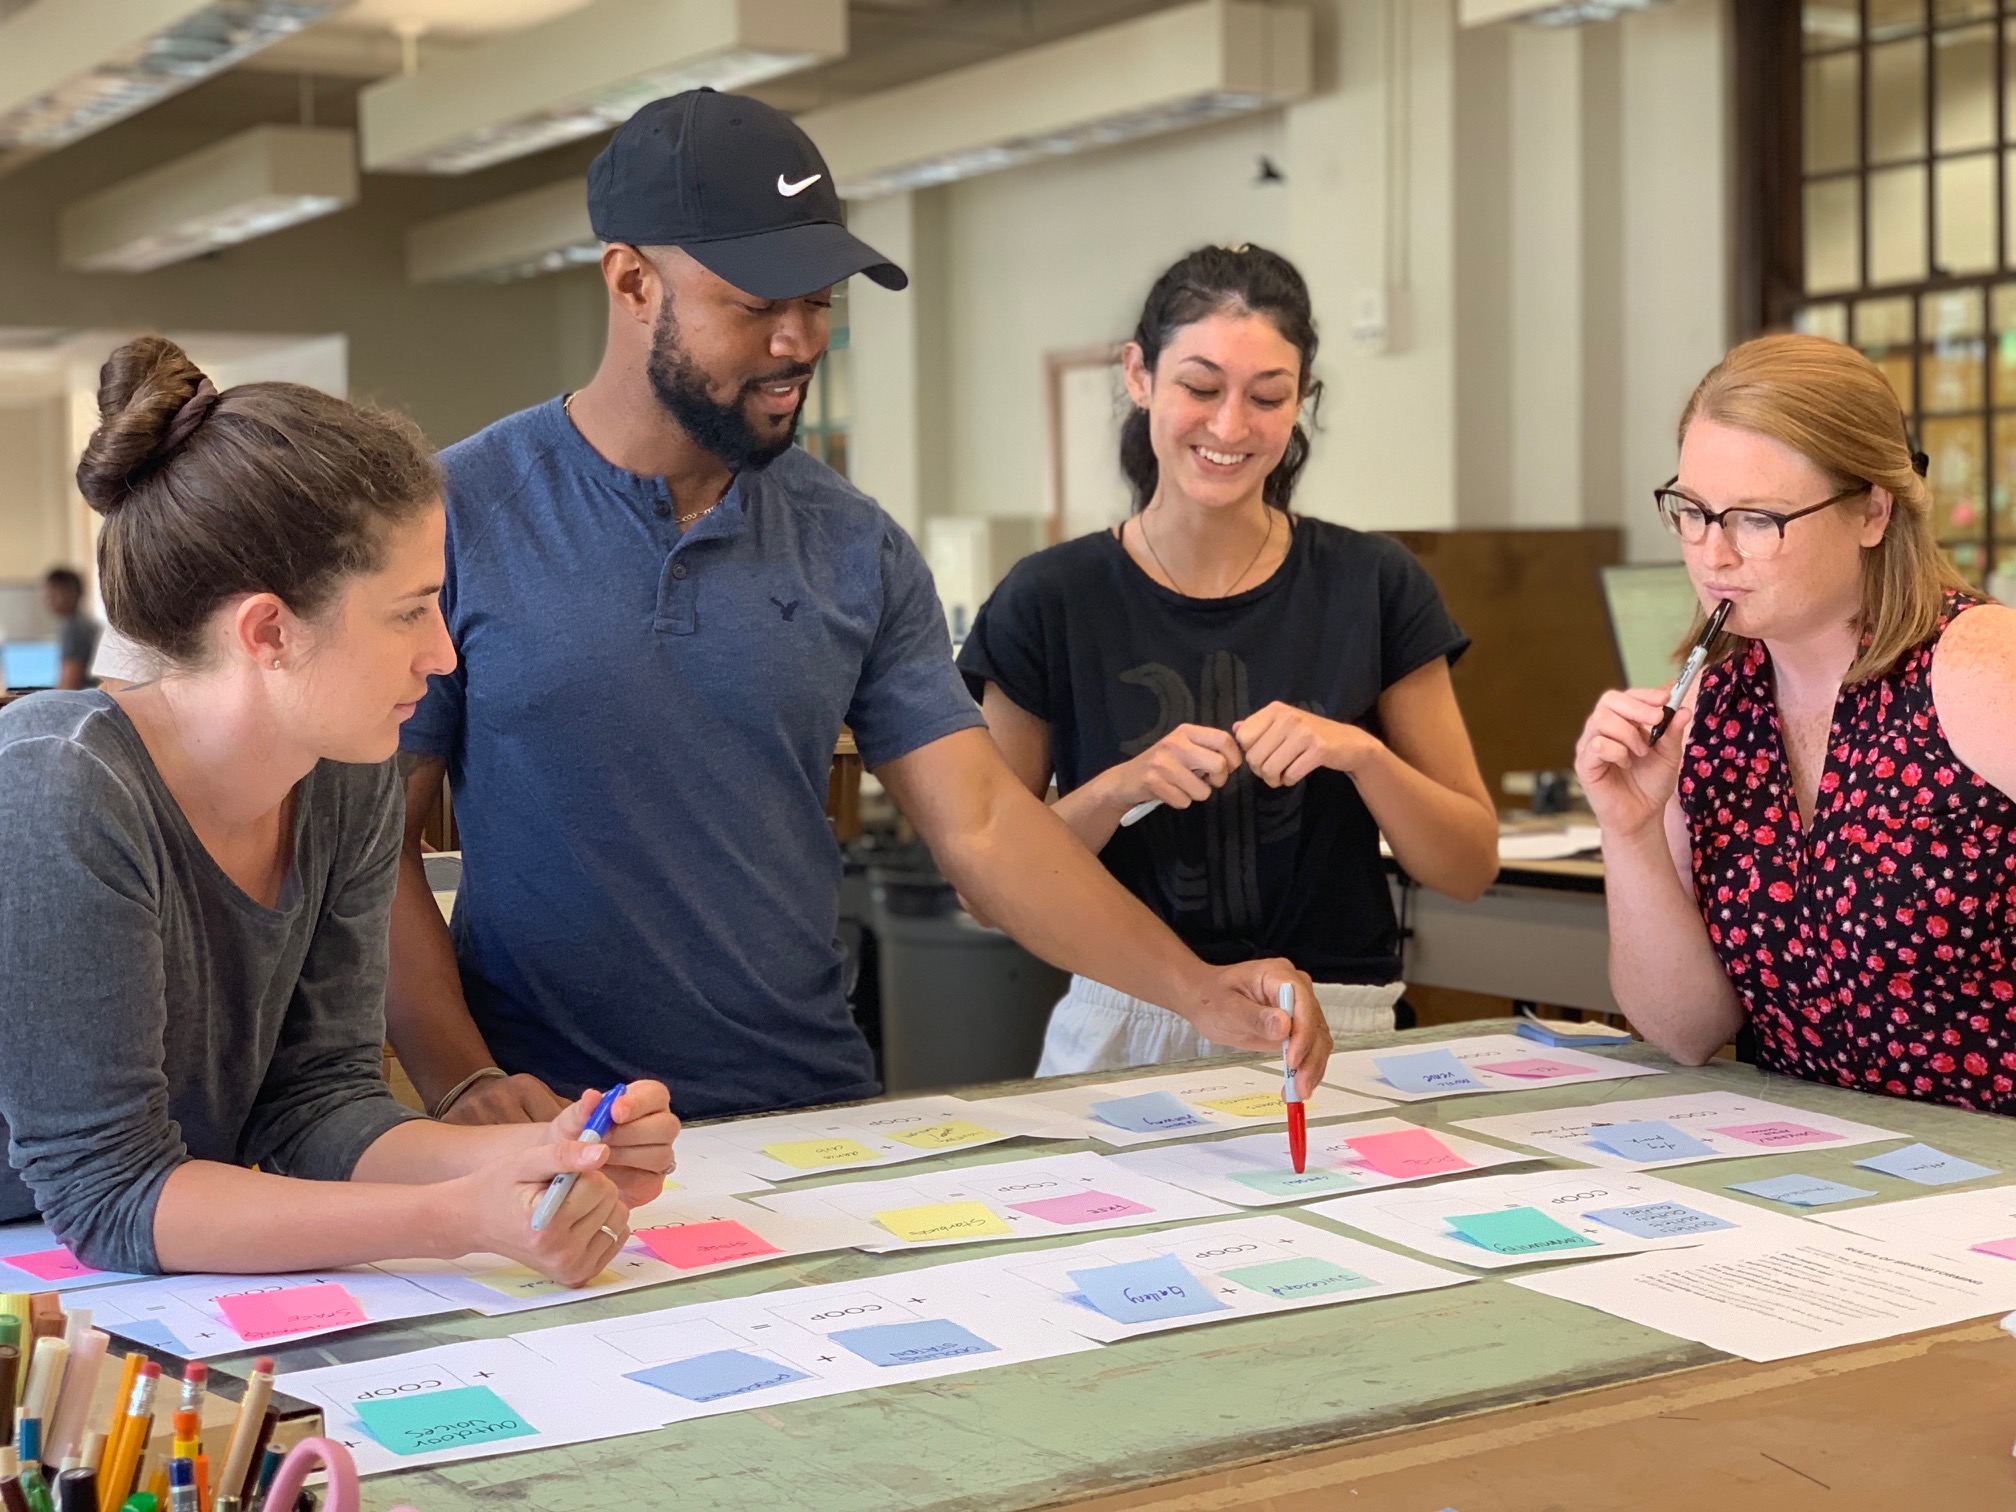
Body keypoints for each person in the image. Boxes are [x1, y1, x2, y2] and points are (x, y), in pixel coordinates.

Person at [388, 90, 1329, 1129]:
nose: (799, 342)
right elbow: (362, 848)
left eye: (823, 301)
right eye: (758, 304)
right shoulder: (459, 517)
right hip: (554, 1131)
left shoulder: (853, 542)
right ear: (632, 280)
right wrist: (459, 1077)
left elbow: (980, 824)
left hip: (808, 1116)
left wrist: (1195, 987)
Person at [0, 336, 677, 1279]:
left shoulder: (345, 768)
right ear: (270, 631)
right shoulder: (59, 787)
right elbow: (109, 1194)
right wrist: (457, 1220)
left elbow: (317, 1105)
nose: (443, 654)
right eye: (410, 611)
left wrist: (546, 1155)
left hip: (147, 1267)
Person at [957, 246, 1498, 1074]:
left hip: (1335, 1031)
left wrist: (1360, 754)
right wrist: (1118, 789)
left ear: (1301, 401)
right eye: (1201, 388)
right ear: (1139, 376)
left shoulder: (1375, 585)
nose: (1230, 427)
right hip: (1125, 1023)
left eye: (1269, 397)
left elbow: (1467, 864)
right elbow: (985, 886)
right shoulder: (1048, 599)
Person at [1574, 333, 2016, 1113]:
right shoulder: (1713, 710)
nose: (1713, 554)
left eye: (1756, 519)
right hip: (1817, 1172)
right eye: (1693, 511)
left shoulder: (1979, 669)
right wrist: (1631, 834)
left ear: (1873, 512)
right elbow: (1686, 1030)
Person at [42, 567, 100, 690]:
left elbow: (70, 686)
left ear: (71, 593)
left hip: (82, 700)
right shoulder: (87, 622)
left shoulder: (74, 629)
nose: (48, 600)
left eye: (53, 594)